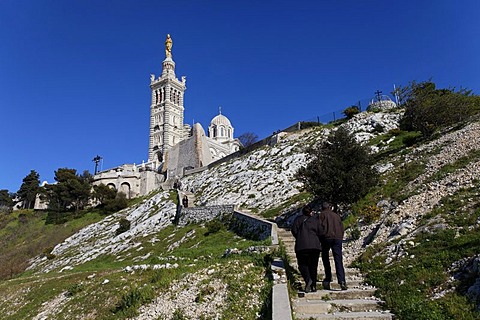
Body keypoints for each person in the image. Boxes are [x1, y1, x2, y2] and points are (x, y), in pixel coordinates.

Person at [291, 205, 323, 293]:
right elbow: (320, 232)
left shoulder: (298, 219)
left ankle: (308, 280)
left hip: (302, 246)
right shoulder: (315, 220)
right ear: (311, 212)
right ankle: (314, 286)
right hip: (315, 246)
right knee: (313, 266)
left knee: (302, 265)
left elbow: (294, 230)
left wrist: (300, 237)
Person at [319, 202, 347, 290]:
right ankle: (342, 281)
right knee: (338, 259)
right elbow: (341, 228)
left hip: (326, 238)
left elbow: (319, 228)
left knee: (325, 256)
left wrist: (320, 238)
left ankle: (328, 276)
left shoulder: (321, 215)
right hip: (337, 238)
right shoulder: (336, 215)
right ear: (330, 207)